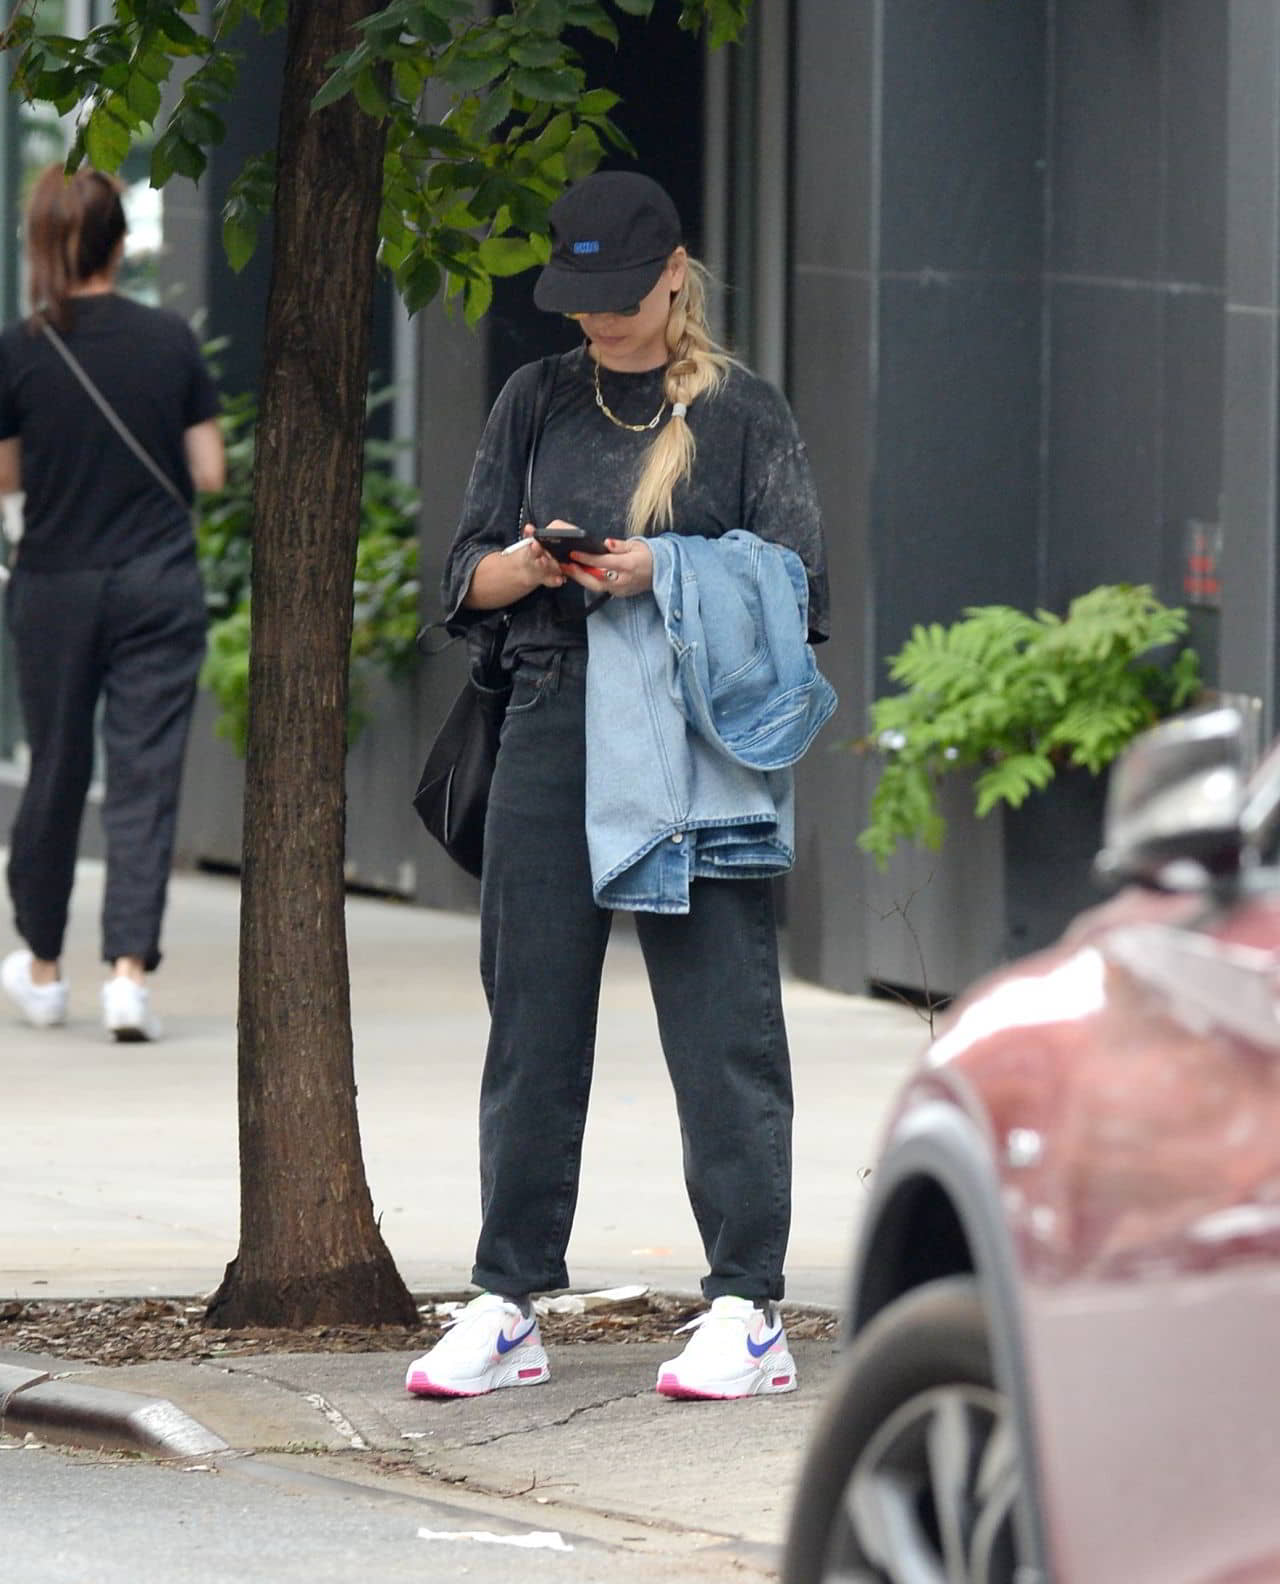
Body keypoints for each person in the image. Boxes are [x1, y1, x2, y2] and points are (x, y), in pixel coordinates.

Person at [406, 170, 829, 1403]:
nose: (596, 320)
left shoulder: (742, 413)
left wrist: (667, 570)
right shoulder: (535, 396)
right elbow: (458, 579)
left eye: (617, 297)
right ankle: (505, 1300)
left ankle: (748, 1308)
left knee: (720, 1025)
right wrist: (528, 568)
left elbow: (801, 588)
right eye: (577, 298)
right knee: (531, 1025)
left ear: (673, 273)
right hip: (547, 716)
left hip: (691, 743)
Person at [0, 164, 225, 1041]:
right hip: (158, 580)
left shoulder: (20, 348)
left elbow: (8, 479)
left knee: (55, 769)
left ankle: (46, 969)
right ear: (121, 243)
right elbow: (207, 471)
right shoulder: (169, 340)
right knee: (145, 773)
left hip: (56, 582)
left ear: (44, 243)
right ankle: (128, 977)